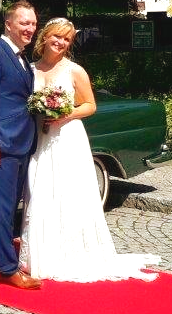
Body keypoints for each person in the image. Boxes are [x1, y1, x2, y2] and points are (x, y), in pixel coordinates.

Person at [19, 17, 161, 281]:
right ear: (45, 36)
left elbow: (90, 105)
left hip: (67, 138)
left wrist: (65, 114)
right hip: (40, 139)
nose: (60, 43)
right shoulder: (30, 69)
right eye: (56, 36)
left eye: (66, 39)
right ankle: (39, 254)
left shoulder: (74, 71)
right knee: (40, 192)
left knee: (69, 194)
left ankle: (70, 253)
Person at [0, 0, 41, 289]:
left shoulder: (20, 57)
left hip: (21, 141)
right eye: (24, 23)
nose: (30, 28)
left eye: (34, 23)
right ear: (9, 24)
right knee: (2, 208)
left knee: (9, 205)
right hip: (1, 144)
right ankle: (7, 267)